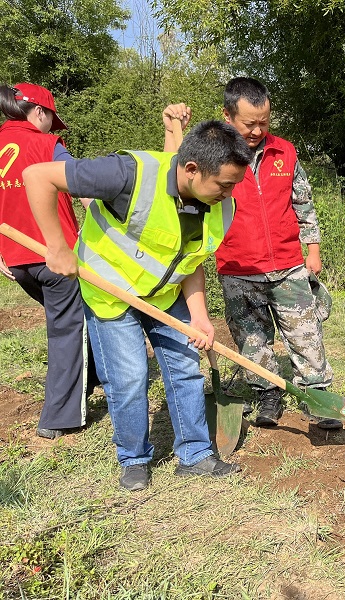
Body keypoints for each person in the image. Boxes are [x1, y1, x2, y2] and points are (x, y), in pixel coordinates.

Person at [23, 120, 252, 491]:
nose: (228, 193)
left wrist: (199, 316)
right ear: (191, 169)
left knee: (185, 369)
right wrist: (57, 246)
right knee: (128, 379)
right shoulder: (129, 174)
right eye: (224, 184)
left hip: (165, 295)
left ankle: (195, 454)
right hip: (111, 294)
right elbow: (38, 176)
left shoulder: (220, 207)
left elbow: (191, 261)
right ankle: (134, 457)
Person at [164, 77, 338, 430]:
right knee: (252, 340)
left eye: (264, 122)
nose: (258, 130)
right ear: (227, 116)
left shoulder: (285, 153)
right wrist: (175, 129)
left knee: (306, 334)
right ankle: (267, 394)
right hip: (238, 267)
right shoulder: (213, 158)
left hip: (289, 266)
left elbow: (303, 203)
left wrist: (313, 249)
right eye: (249, 124)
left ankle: (317, 396)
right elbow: (178, 176)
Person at [0, 82, 99, 440]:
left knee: (80, 317)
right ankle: (59, 417)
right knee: (67, 329)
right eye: (50, 119)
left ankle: (96, 374)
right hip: (55, 256)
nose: (51, 128)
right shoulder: (46, 145)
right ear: (39, 112)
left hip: (16, 260)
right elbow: (84, 186)